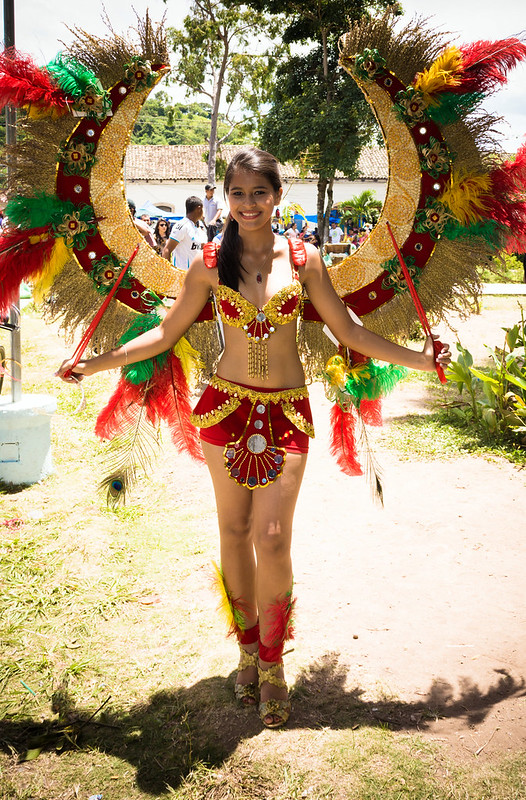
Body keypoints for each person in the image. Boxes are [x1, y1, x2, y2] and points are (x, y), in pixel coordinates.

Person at [57, 147, 451, 729]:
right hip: (225, 410)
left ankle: (272, 665)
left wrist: (420, 361)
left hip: (287, 415)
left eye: (259, 193)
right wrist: (96, 363)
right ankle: (245, 651)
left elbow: (348, 330)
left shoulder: (305, 257)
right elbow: (168, 333)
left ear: (277, 195)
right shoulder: (209, 264)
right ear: (226, 196)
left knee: (271, 535)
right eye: (237, 193)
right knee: (234, 529)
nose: (248, 204)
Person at [162, 197, 206, 270]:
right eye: (202, 209)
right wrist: (167, 272)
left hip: (195, 275)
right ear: (199, 208)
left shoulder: (196, 228)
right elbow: (167, 249)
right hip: (182, 276)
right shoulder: (183, 226)